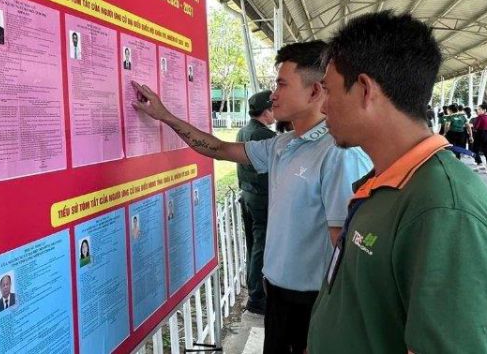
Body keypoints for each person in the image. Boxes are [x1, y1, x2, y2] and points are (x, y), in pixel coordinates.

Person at [132, 41, 371, 354]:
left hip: (312, 304)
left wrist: (331, 327)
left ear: (315, 91)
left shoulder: (338, 154)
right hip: (279, 294)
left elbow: (346, 248)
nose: (273, 94)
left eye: (282, 84)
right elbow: (218, 149)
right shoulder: (282, 146)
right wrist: (165, 116)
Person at [307, 11, 487, 353]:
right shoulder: (386, 181)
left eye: (327, 91)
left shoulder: (447, 211)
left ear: (364, 89)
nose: (324, 107)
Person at [235, 89, 276, 315]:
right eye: (272, 109)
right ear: (266, 112)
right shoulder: (265, 136)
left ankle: (254, 289)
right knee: (261, 244)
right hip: (261, 198)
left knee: (253, 244)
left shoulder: (243, 131)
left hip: (247, 195)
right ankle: (257, 296)